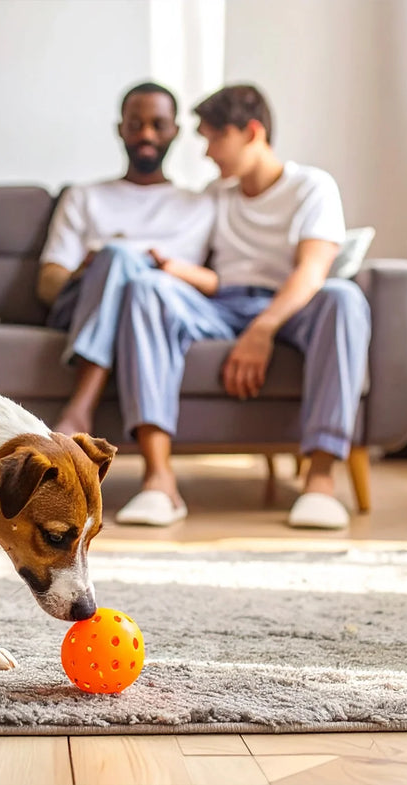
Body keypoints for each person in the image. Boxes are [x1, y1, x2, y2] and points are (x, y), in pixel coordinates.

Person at [109, 84, 371, 529]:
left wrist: (262, 330)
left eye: (213, 138)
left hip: (291, 306)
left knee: (344, 297)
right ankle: (159, 481)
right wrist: (166, 266)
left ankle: (321, 483)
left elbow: (311, 273)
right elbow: (208, 276)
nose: (208, 153)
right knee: (147, 289)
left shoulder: (312, 187)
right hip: (219, 305)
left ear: (251, 132)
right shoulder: (217, 194)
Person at [37, 80, 214, 460]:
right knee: (116, 256)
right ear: (121, 129)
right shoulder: (84, 196)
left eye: (158, 124)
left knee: (133, 271)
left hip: (154, 314)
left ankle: (79, 409)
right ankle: (81, 407)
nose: (146, 134)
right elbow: (48, 286)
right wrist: (91, 270)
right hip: (82, 308)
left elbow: (218, 285)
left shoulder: (201, 205)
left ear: (175, 132)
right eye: (135, 124)